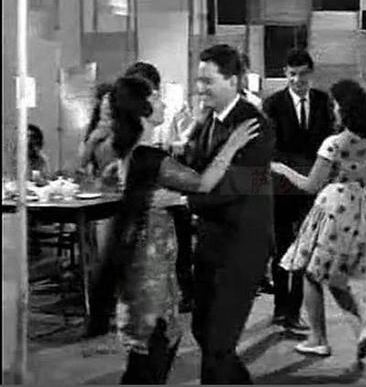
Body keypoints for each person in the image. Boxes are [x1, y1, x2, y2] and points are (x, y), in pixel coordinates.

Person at [92, 74, 260, 384]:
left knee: (151, 350)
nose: (163, 102)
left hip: (147, 266)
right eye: (155, 98)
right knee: (153, 350)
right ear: (142, 109)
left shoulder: (131, 153)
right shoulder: (149, 157)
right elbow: (203, 183)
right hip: (150, 272)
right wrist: (232, 145)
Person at [271, 80, 366, 358]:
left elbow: (310, 185)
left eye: (336, 106)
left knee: (310, 274)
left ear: (345, 108)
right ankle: (361, 330)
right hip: (359, 209)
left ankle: (318, 339)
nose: (333, 110)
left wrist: (283, 170)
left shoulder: (334, 143)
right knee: (337, 277)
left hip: (331, 208)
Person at [176, 44, 274, 384]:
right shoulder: (207, 120)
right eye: (198, 80)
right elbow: (192, 166)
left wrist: (185, 200)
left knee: (218, 342)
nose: (200, 88)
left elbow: (245, 183)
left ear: (233, 81)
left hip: (241, 244)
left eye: (208, 81)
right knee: (203, 330)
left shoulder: (253, 123)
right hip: (210, 242)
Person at [263, 49, 334, 331]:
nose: (297, 80)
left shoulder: (323, 101)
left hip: (313, 186)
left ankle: (294, 310)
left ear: (311, 73)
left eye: (303, 74)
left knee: (306, 249)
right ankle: (281, 309)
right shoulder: (273, 104)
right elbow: (269, 146)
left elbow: (328, 141)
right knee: (282, 248)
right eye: (292, 74)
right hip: (282, 187)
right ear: (285, 73)